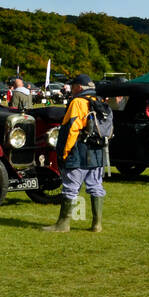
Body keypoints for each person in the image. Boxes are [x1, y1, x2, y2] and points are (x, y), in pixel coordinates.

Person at [43, 74, 107, 233]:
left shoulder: (78, 102)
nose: (71, 89)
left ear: (79, 87)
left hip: (79, 152)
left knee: (70, 188)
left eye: (73, 86)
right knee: (96, 186)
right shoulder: (98, 101)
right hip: (98, 153)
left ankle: (63, 224)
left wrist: (65, 153)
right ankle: (96, 224)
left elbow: (72, 129)